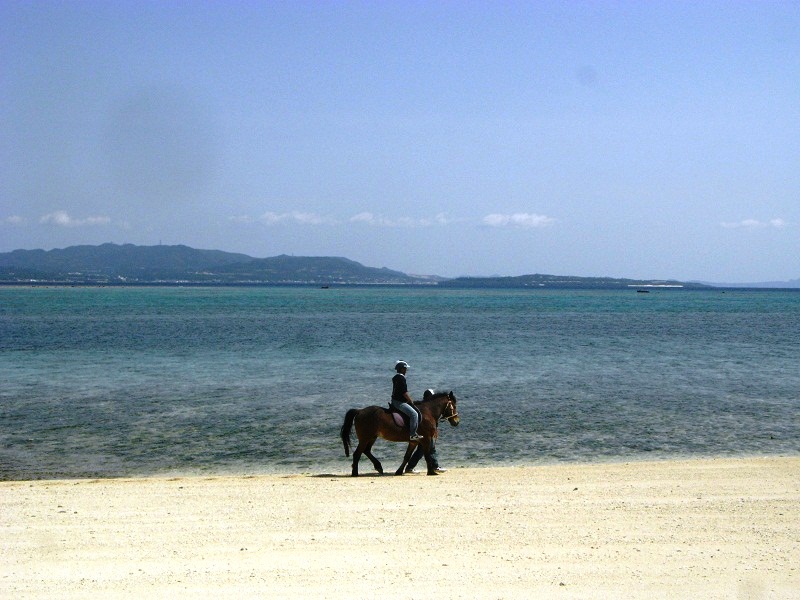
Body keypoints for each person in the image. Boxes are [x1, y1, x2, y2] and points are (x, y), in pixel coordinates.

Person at [405, 389, 446, 473]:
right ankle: (434, 466)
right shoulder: (428, 408)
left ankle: (410, 467)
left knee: (422, 450)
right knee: (429, 448)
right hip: (423, 433)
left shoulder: (422, 406)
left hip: (420, 433)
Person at [391, 360, 422, 441]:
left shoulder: (395, 377)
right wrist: (411, 401)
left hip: (394, 400)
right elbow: (404, 393)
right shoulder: (401, 378)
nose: (406, 370)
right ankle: (412, 434)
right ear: (401, 369)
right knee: (414, 414)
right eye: (405, 368)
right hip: (399, 402)